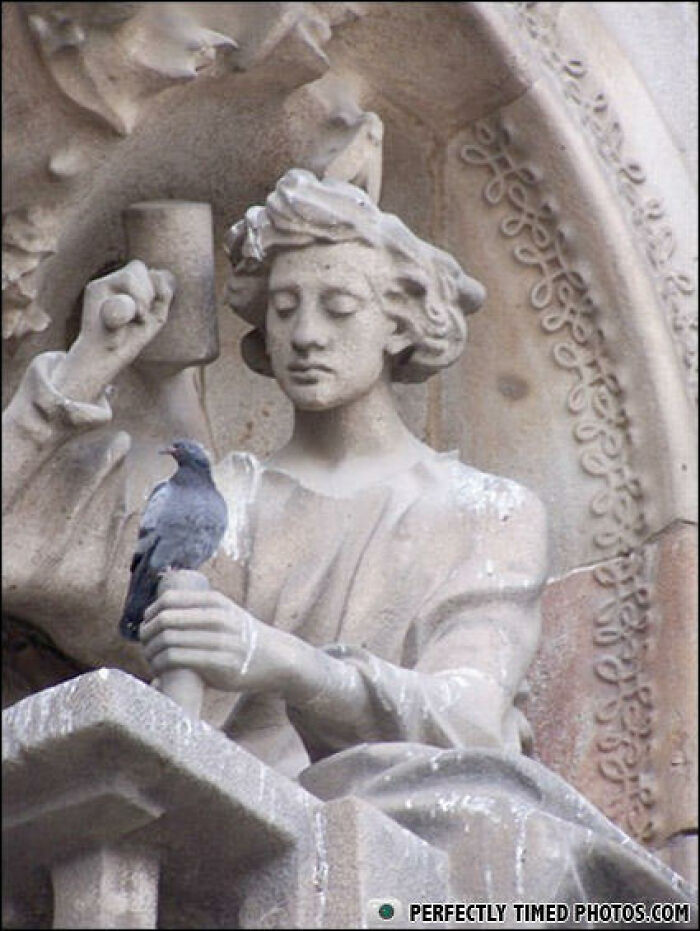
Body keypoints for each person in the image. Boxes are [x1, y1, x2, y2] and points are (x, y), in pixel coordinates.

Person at [3, 169, 693, 911]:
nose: (305, 334)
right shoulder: (222, 498)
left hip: (396, 819)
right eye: (284, 308)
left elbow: (469, 717)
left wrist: (280, 659)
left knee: (512, 836)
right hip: (229, 833)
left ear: (401, 321)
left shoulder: (487, 509)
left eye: (339, 307)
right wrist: (85, 368)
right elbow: (24, 544)